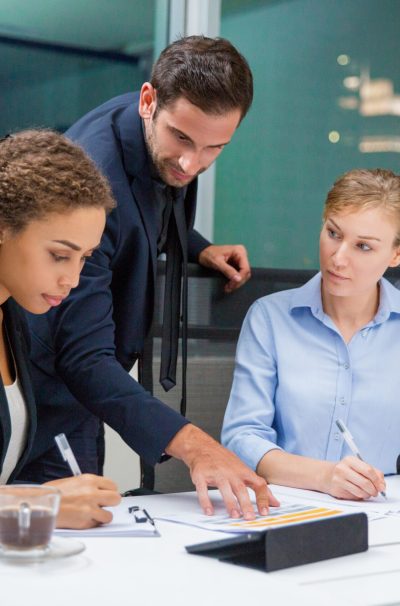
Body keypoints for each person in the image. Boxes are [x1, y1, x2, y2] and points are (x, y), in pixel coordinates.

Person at [19, 36, 277, 518]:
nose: (191, 163)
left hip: (83, 389)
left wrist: (196, 246)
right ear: (147, 101)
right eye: (182, 139)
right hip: (44, 391)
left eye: (213, 148)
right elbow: (82, 357)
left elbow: (152, 206)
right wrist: (197, 446)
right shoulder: (96, 188)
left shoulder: (167, 127)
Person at [222, 168, 400, 501]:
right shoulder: (270, 318)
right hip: (288, 506)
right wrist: (327, 476)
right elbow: (242, 438)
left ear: (395, 254)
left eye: (363, 246)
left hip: (385, 512)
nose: (338, 257)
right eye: (333, 233)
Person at [0, 129, 121, 528]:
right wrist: (40, 503)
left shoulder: (16, 320)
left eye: (84, 258)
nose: (72, 279)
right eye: (59, 256)